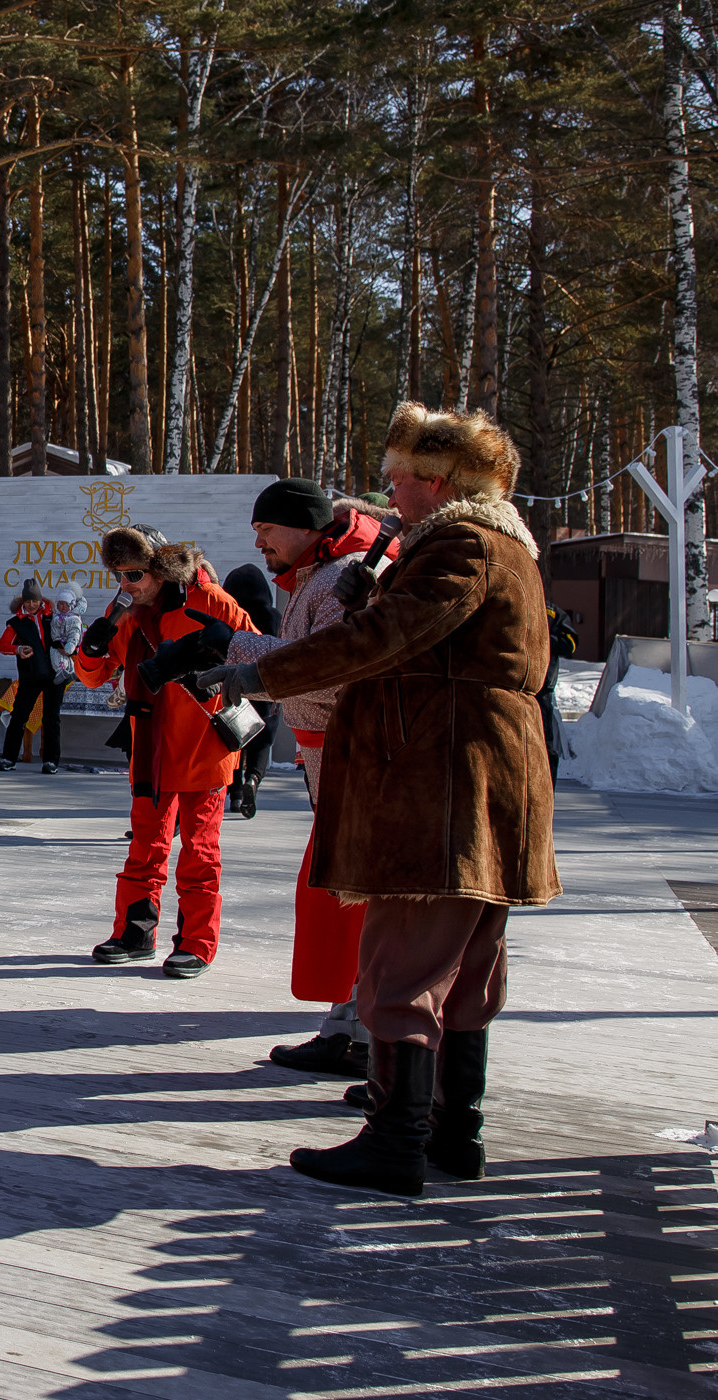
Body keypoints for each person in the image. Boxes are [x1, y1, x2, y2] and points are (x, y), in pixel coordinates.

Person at [202, 405, 558, 1195]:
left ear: (440, 483)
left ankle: (396, 1142)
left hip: (441, 785)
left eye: (399, 479)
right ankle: (451, 1133)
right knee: (465, 971)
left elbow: (381, 645)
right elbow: (419, 643)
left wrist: (259, 674)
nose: (388, 494)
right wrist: (370, 598)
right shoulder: (501, 549)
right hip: (482, 785)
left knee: (403, 964)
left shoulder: (462, 546)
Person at [215, 480, 395, 1080]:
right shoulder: (321, 576)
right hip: (333, 765)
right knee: (338, 899)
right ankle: (350, 1025)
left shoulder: (342, 576)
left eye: (267, 529)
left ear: (305, 526)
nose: (258, 541)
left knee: (355, 901)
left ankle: (368, 1036)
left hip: (353, 765)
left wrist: (235, 652)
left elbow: (330, 675)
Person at [75, 526, 254, 979]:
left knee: (200, 853)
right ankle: (134, 935)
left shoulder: (212, 601)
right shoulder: (124, 613)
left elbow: (259, 660)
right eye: (119, 575)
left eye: (134, 574)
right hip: (150, 752)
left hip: (204, 749)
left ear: (159, 569)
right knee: (144, 849)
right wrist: (90, 651)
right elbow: (94, 677)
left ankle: (196, 942)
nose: (126, 584)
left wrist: (217, 657)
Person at [221, 563, 283, 817]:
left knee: (235, 738)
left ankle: (235, 794)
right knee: (261, 741)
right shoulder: (274, 616)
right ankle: (253, 779)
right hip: (265, 686)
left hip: (235, 686)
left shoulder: (229, 616)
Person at [0, 580, 68, 774]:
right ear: (23, 602)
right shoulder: (16, 622)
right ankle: (8, 758)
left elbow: (69, 633)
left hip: (55, 674)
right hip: (30, 675)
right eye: (28, 601)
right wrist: (18, 649)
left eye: (34, 601)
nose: (31, 605)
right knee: (19, 716)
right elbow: (3, 645)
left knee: (52, 718)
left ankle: (51, 761)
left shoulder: (53, 617)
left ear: (40, 600)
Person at [541, 602, 580, 781]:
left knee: (544, 741)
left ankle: (547, 788)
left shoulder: (552, 612)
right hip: (508, 686)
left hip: (542, 688)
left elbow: (570, 644)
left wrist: (541, 636)